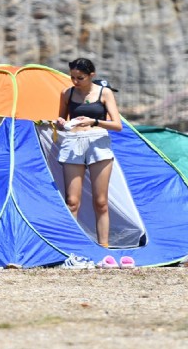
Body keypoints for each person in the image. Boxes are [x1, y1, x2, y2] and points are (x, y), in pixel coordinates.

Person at [55, 57, 122, 250]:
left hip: (98, 143)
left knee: (100, 201)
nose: (75, 81)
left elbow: (117, 125)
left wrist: (93, 121)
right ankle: (71, 247)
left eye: (80, 77)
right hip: (74, 143)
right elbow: (61, 119)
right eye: (73, 77)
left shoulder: (104, 93)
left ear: (91, 75)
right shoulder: (67, 93)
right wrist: (61, 123)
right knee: (72, 201)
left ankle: (104, 246)